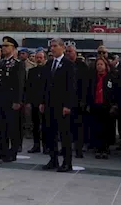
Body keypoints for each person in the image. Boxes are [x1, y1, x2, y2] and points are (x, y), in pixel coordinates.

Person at [40, 38, 77, 172]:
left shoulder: (69, 64)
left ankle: (67, 162)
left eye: (55, 46)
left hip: (62, 106)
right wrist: (43, 102)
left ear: (62, 48)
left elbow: (71, 87)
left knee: (65, 135)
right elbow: (44, 85)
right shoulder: (49, 64)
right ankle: (53, 159)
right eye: (51, 46)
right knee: (50, 133)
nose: (53, 48)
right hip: (50, 104)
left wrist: (68, 105)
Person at [0, 36, 25, 163]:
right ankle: (2, 150)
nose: (3, 48)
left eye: (6, 46)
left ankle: (13, 152)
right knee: (1, 126)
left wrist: (18, 100)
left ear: (13, 48)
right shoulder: (1, 63)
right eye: (3, 46)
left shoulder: (17, 63)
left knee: (12, 128)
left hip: (11, 101)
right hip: (0, 99)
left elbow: (20, 84)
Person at [87, 58, 117, 159]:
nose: (99, 66)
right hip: (95, 105)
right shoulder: (92, 78)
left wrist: (114, 105)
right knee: (96, 127)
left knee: (106, 128)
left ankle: (105, 148)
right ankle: (98, 148)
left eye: (101, 64)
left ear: (105, 66)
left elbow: (114, 92)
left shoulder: (111, 77)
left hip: (107, 106)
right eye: (98, 64)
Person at [65, 44, 89, 159]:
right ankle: (66, 148)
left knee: (78, 127)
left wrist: (83, 100)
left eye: (70, 51)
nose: (68, 53)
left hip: (79, 100)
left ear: (75, 52)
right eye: (67, 52)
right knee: (66, 127)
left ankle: (78, 149)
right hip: (67, 101)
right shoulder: (64, 65)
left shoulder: (82, 66)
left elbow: (85, 84)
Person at [24, 50, 46, 153]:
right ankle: (36, 145)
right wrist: (28, 102)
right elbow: (28, 87)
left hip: (45, 102)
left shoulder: (48, 71)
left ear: (44, 58)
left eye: (41, 58)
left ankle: (46, 146)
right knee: (35, 125)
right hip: (34, 102)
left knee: (46, 125)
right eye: (37, 57)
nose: (39, 59)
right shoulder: (32, 72)